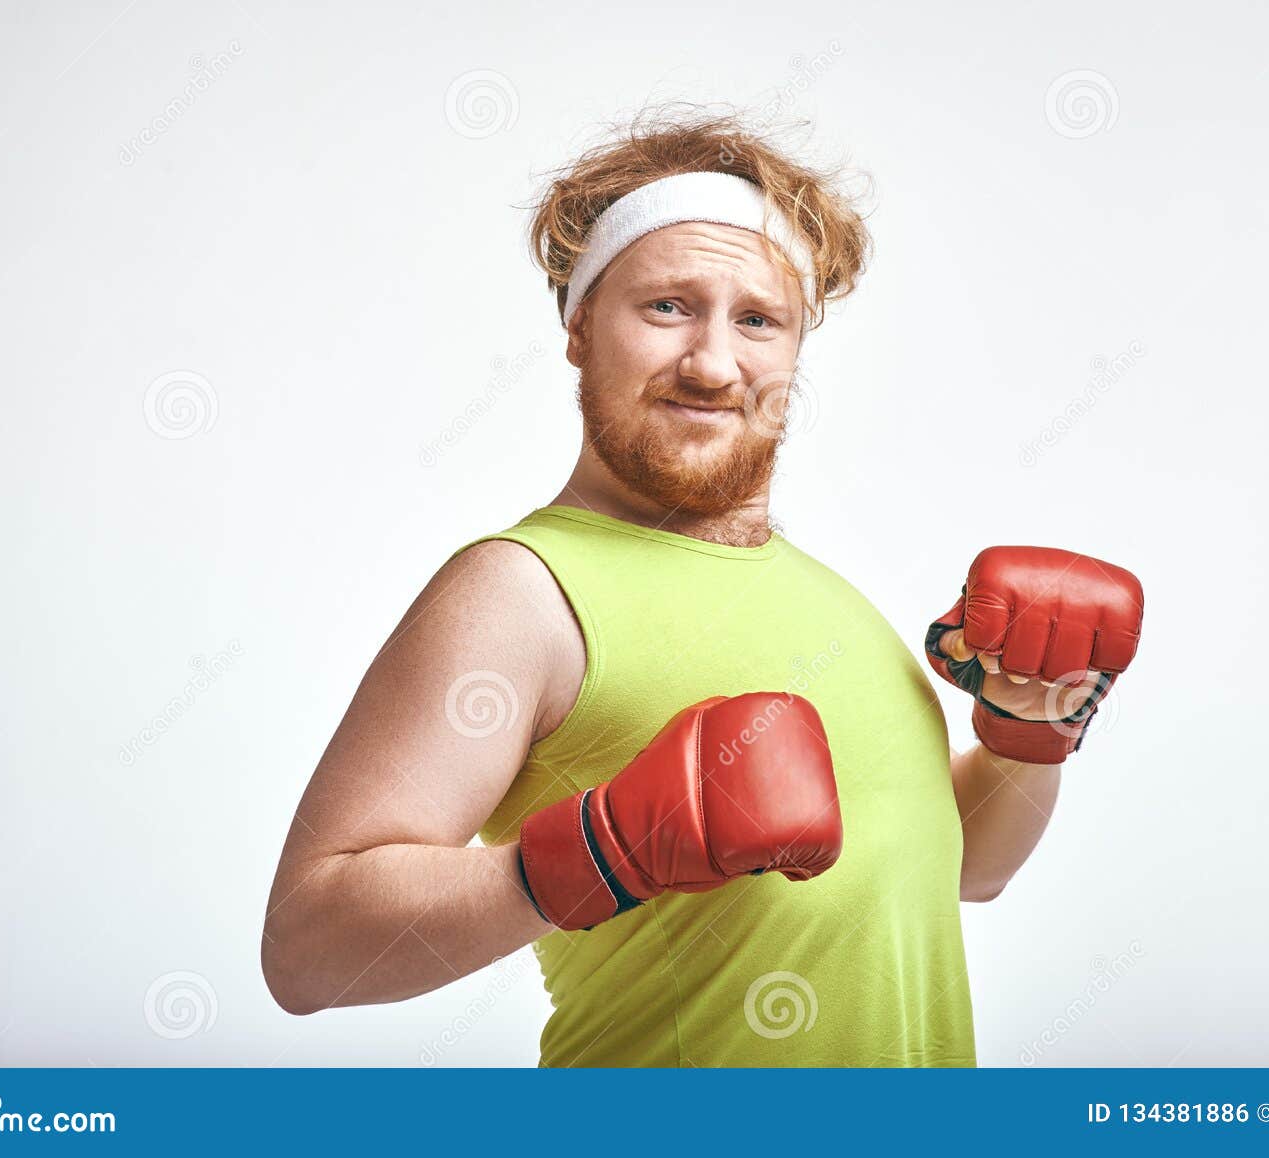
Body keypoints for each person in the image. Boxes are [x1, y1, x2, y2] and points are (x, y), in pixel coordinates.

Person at [260, 107, 1145, 1067]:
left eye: (757, 320)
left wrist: (1028, 731)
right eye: (668, 306)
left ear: (795, 351)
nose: (714, 363)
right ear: (579, 326)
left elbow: (968, 869)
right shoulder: (520, 593)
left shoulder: (836, 607)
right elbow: (308, 951)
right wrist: (602, 852)